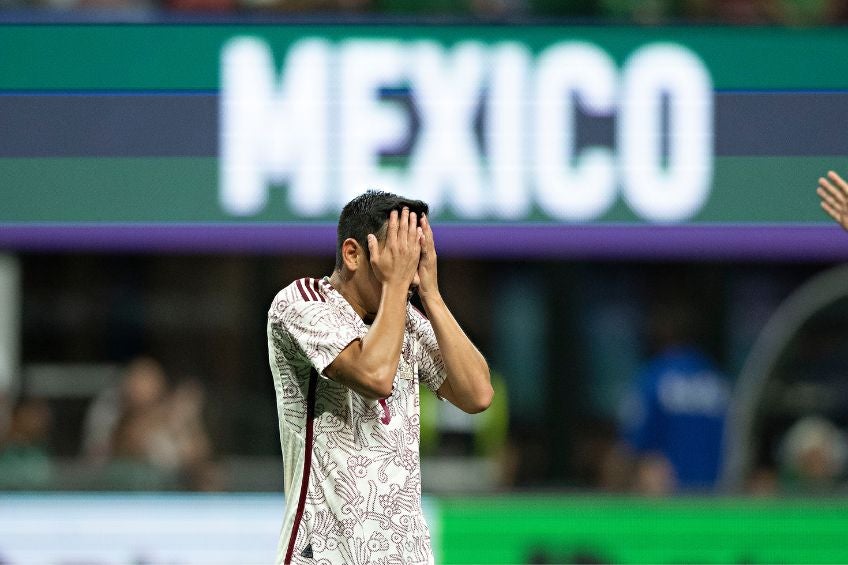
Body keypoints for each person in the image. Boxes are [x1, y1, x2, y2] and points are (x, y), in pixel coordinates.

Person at [267, 190, 493, 565]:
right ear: (353, 254)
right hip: (324, 553)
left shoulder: (404, 316)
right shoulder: (301, 302)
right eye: (397, 258)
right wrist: (394, 287)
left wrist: (432, 295)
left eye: (414, 259)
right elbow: (374, 375)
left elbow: (478, 394)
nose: (406, 274)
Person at [617, 301, 731, 494]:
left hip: (669, 501)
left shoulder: (654, 378)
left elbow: (631, 446)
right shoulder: (719, 379)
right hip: (718, 499)